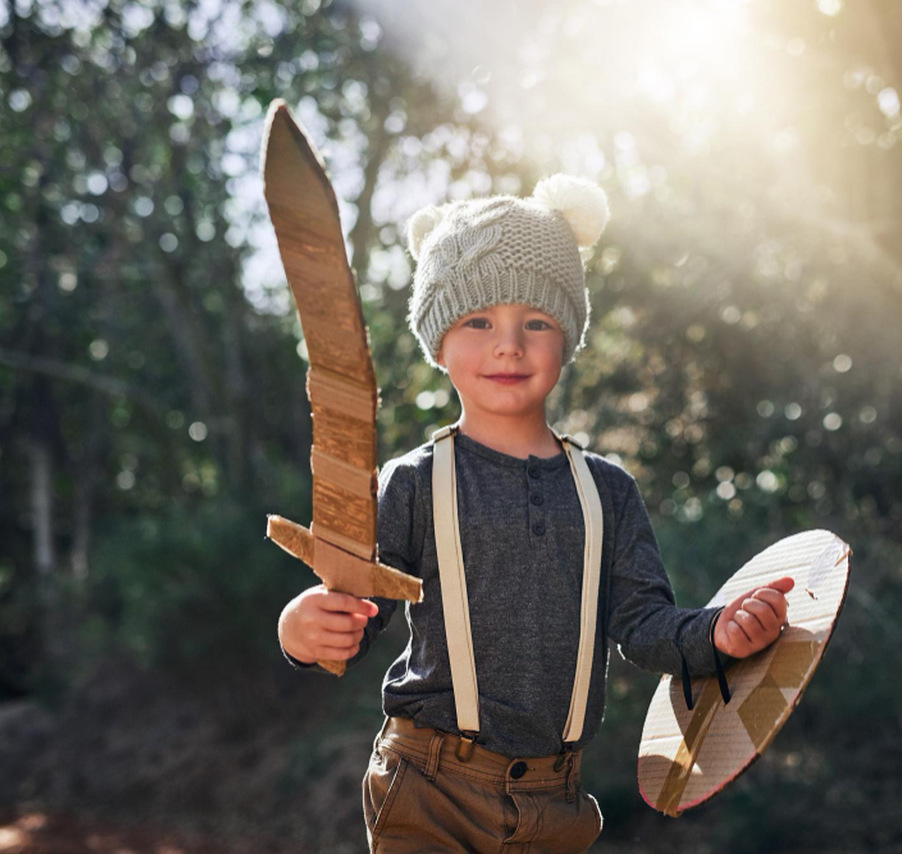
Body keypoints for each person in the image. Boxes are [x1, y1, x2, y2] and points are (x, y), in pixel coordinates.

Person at [276, 174, 794, 853]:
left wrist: (717, 636)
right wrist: (303, 629)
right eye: (478, 320)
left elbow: (642, 626)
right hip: (427, 787)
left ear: (568, 337)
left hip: (557, 804)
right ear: (438, 342)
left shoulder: (607, 492)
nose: (508, 345)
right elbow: (355, 609)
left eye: (537, 322)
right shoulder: (413, 482)